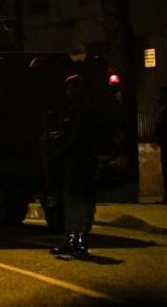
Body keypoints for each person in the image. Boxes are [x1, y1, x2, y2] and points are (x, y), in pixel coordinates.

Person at [49, 74, 97, 258]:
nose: (69, 91)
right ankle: (71, 242)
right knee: (72, 204)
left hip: (80, 163)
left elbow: (77, 137)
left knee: (77, 205)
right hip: (75, 163)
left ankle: (78, 243)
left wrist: (60, 148)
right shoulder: (74, 110)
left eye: (72, 87)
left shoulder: (82, 111)